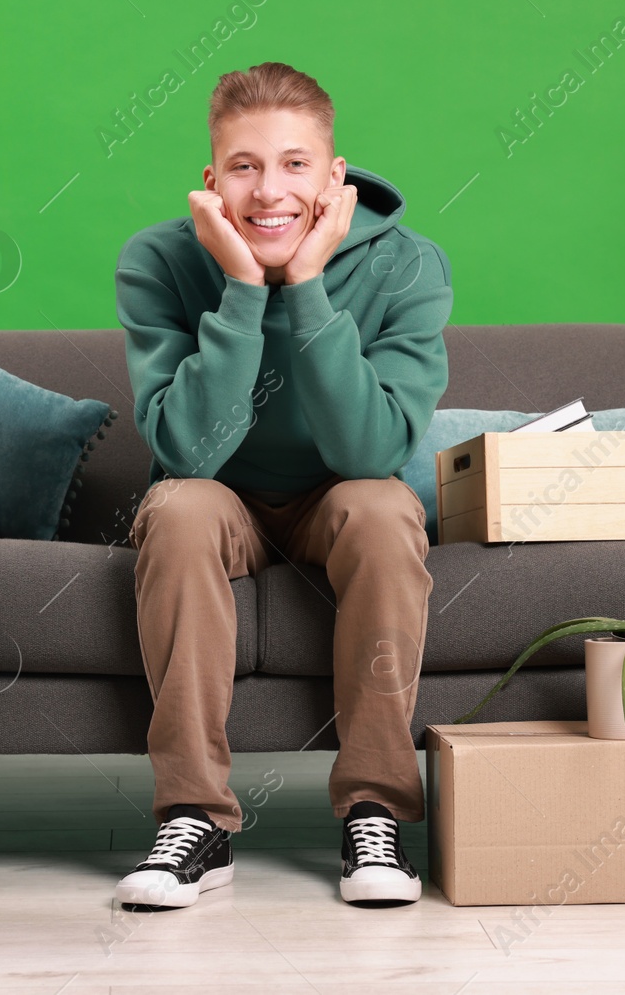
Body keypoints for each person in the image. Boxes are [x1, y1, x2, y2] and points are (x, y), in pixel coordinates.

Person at [112, 61, 454, 908]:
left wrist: (304, 286)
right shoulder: (157, 261)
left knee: (383, 509)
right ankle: (197, 819)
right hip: (218, 495)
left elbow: (371, 449)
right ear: (212, 180)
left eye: (296, 164)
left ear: (334, 178)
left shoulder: (408, 266)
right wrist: (239, 286)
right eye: (245, 166)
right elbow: (189, 450)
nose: (270, 191)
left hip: (339, 494)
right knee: (180, 509)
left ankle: (375, 810)